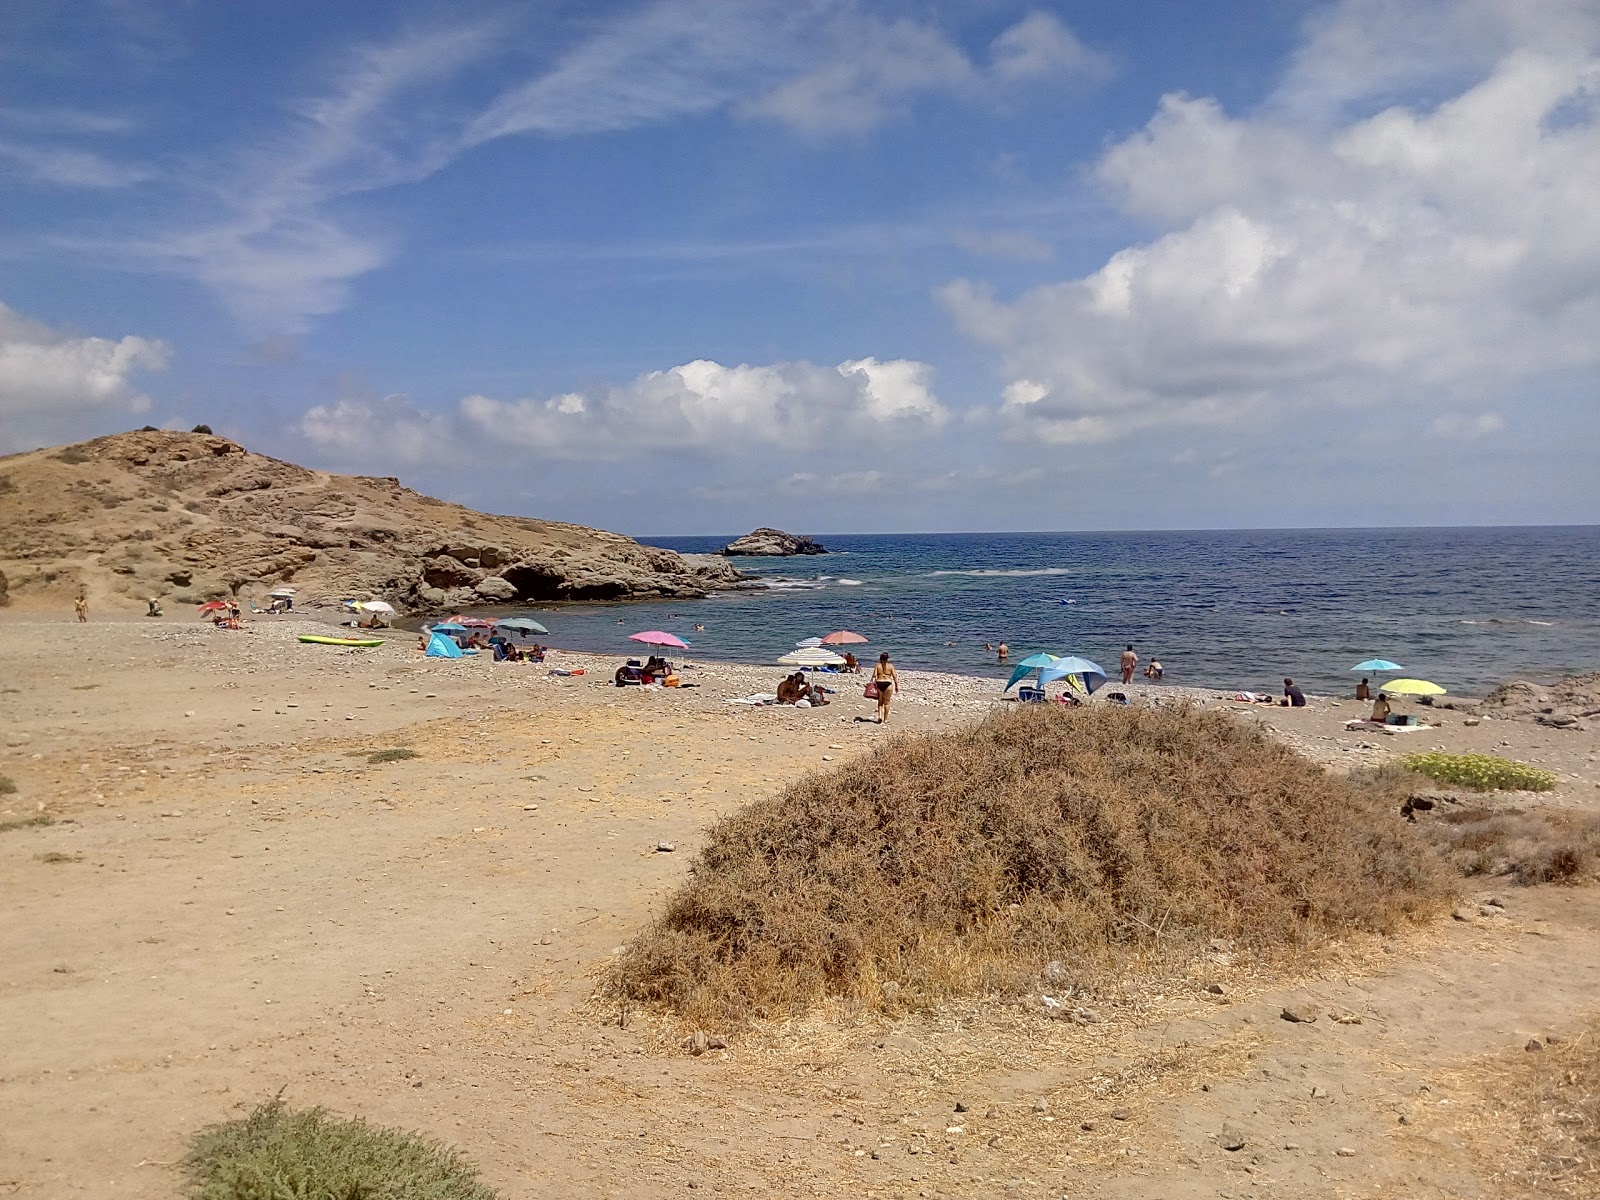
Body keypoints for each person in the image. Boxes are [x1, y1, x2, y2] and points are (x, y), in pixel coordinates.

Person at [871, 652, 899, 723]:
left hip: (879, 683)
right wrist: (896, 686)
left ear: (880, 658)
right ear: (887, 658)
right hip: (888, 683)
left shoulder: (877, 665)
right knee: (887, 703)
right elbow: (894, 676)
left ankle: (880, 716)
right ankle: (885, 719)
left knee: (880, 702)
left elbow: (874, 675)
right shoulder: (890, 666)